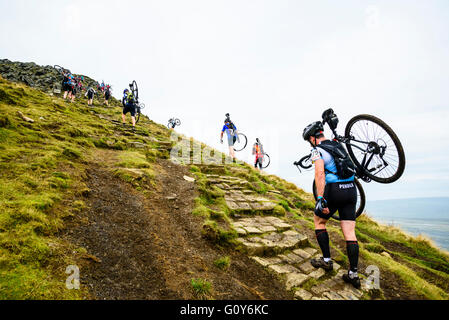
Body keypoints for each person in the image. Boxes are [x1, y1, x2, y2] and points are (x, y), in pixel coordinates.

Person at [302, 121, 360, 288]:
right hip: (351, 189)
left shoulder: (316, 150)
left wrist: (320, 198)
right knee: (349, 232)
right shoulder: (337, 144)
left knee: (319, 221)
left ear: (313, 138)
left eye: (308, 140)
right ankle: (353, 273)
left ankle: (327, 260)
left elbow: (320, 174)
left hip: (334, 190)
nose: (309, 143)